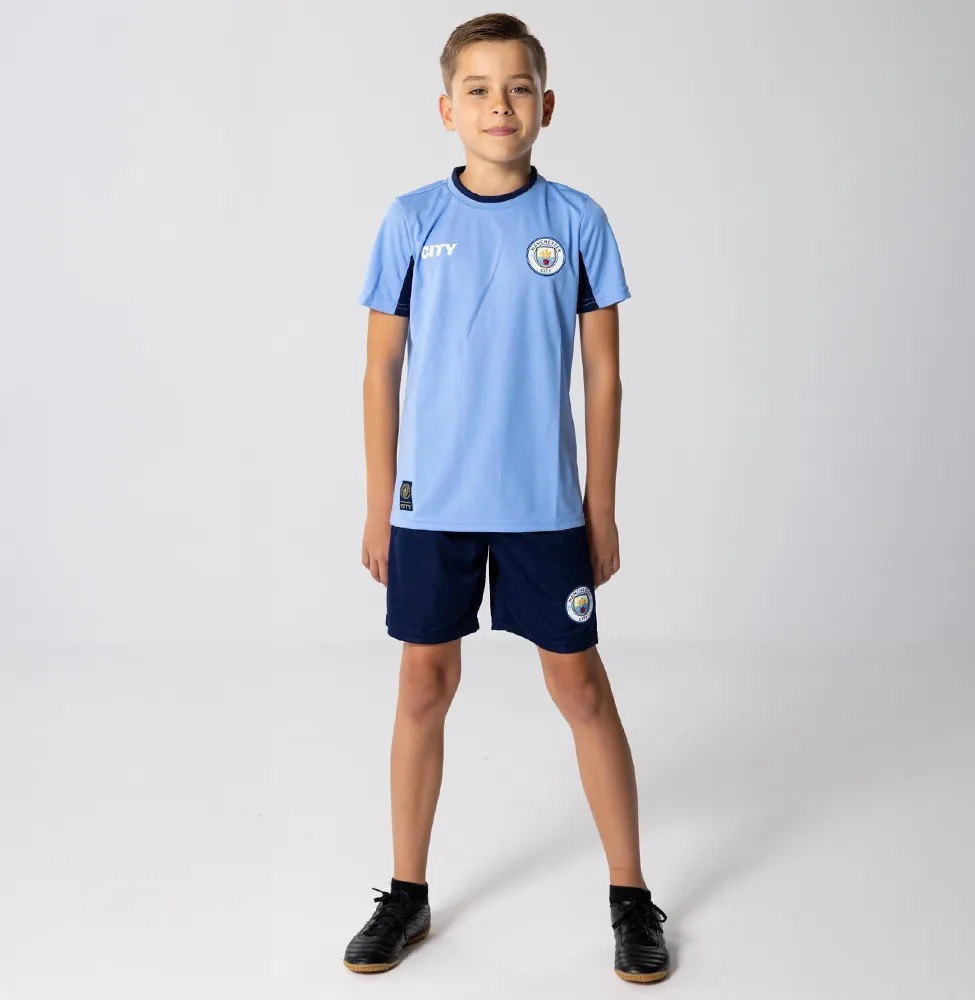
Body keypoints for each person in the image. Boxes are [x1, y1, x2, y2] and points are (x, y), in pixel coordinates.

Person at [344, 12, 670, 985]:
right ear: (447, 109)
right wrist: (379, 503)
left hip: (543, 508)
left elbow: (603, 378)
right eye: (479, 89)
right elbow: (380, 370)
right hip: (431, 505)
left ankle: (631, 895)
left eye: (518, 87)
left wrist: (601, 506)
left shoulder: (577, 222)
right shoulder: (411, 221)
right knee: (422, 687)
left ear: (547, 106)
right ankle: (406, 892)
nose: (500, 105)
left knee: (579, 688)